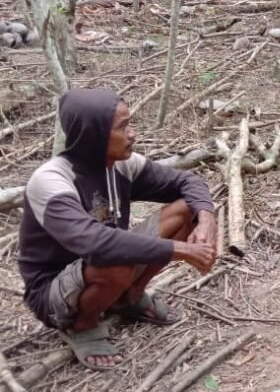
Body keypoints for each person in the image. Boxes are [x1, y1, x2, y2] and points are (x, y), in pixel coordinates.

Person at [18, 88, 217, 370]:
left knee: (188, 209)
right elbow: (97, 245)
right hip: (53, 294)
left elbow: (187, 182)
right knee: (114, 257)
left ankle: (127, 298)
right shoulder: (52, 182)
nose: (132, 133)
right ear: (93, 134)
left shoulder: (121, 165)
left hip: (103, 266)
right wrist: (180, 249)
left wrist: (206, 220)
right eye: (123, 126)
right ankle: (81, 325)